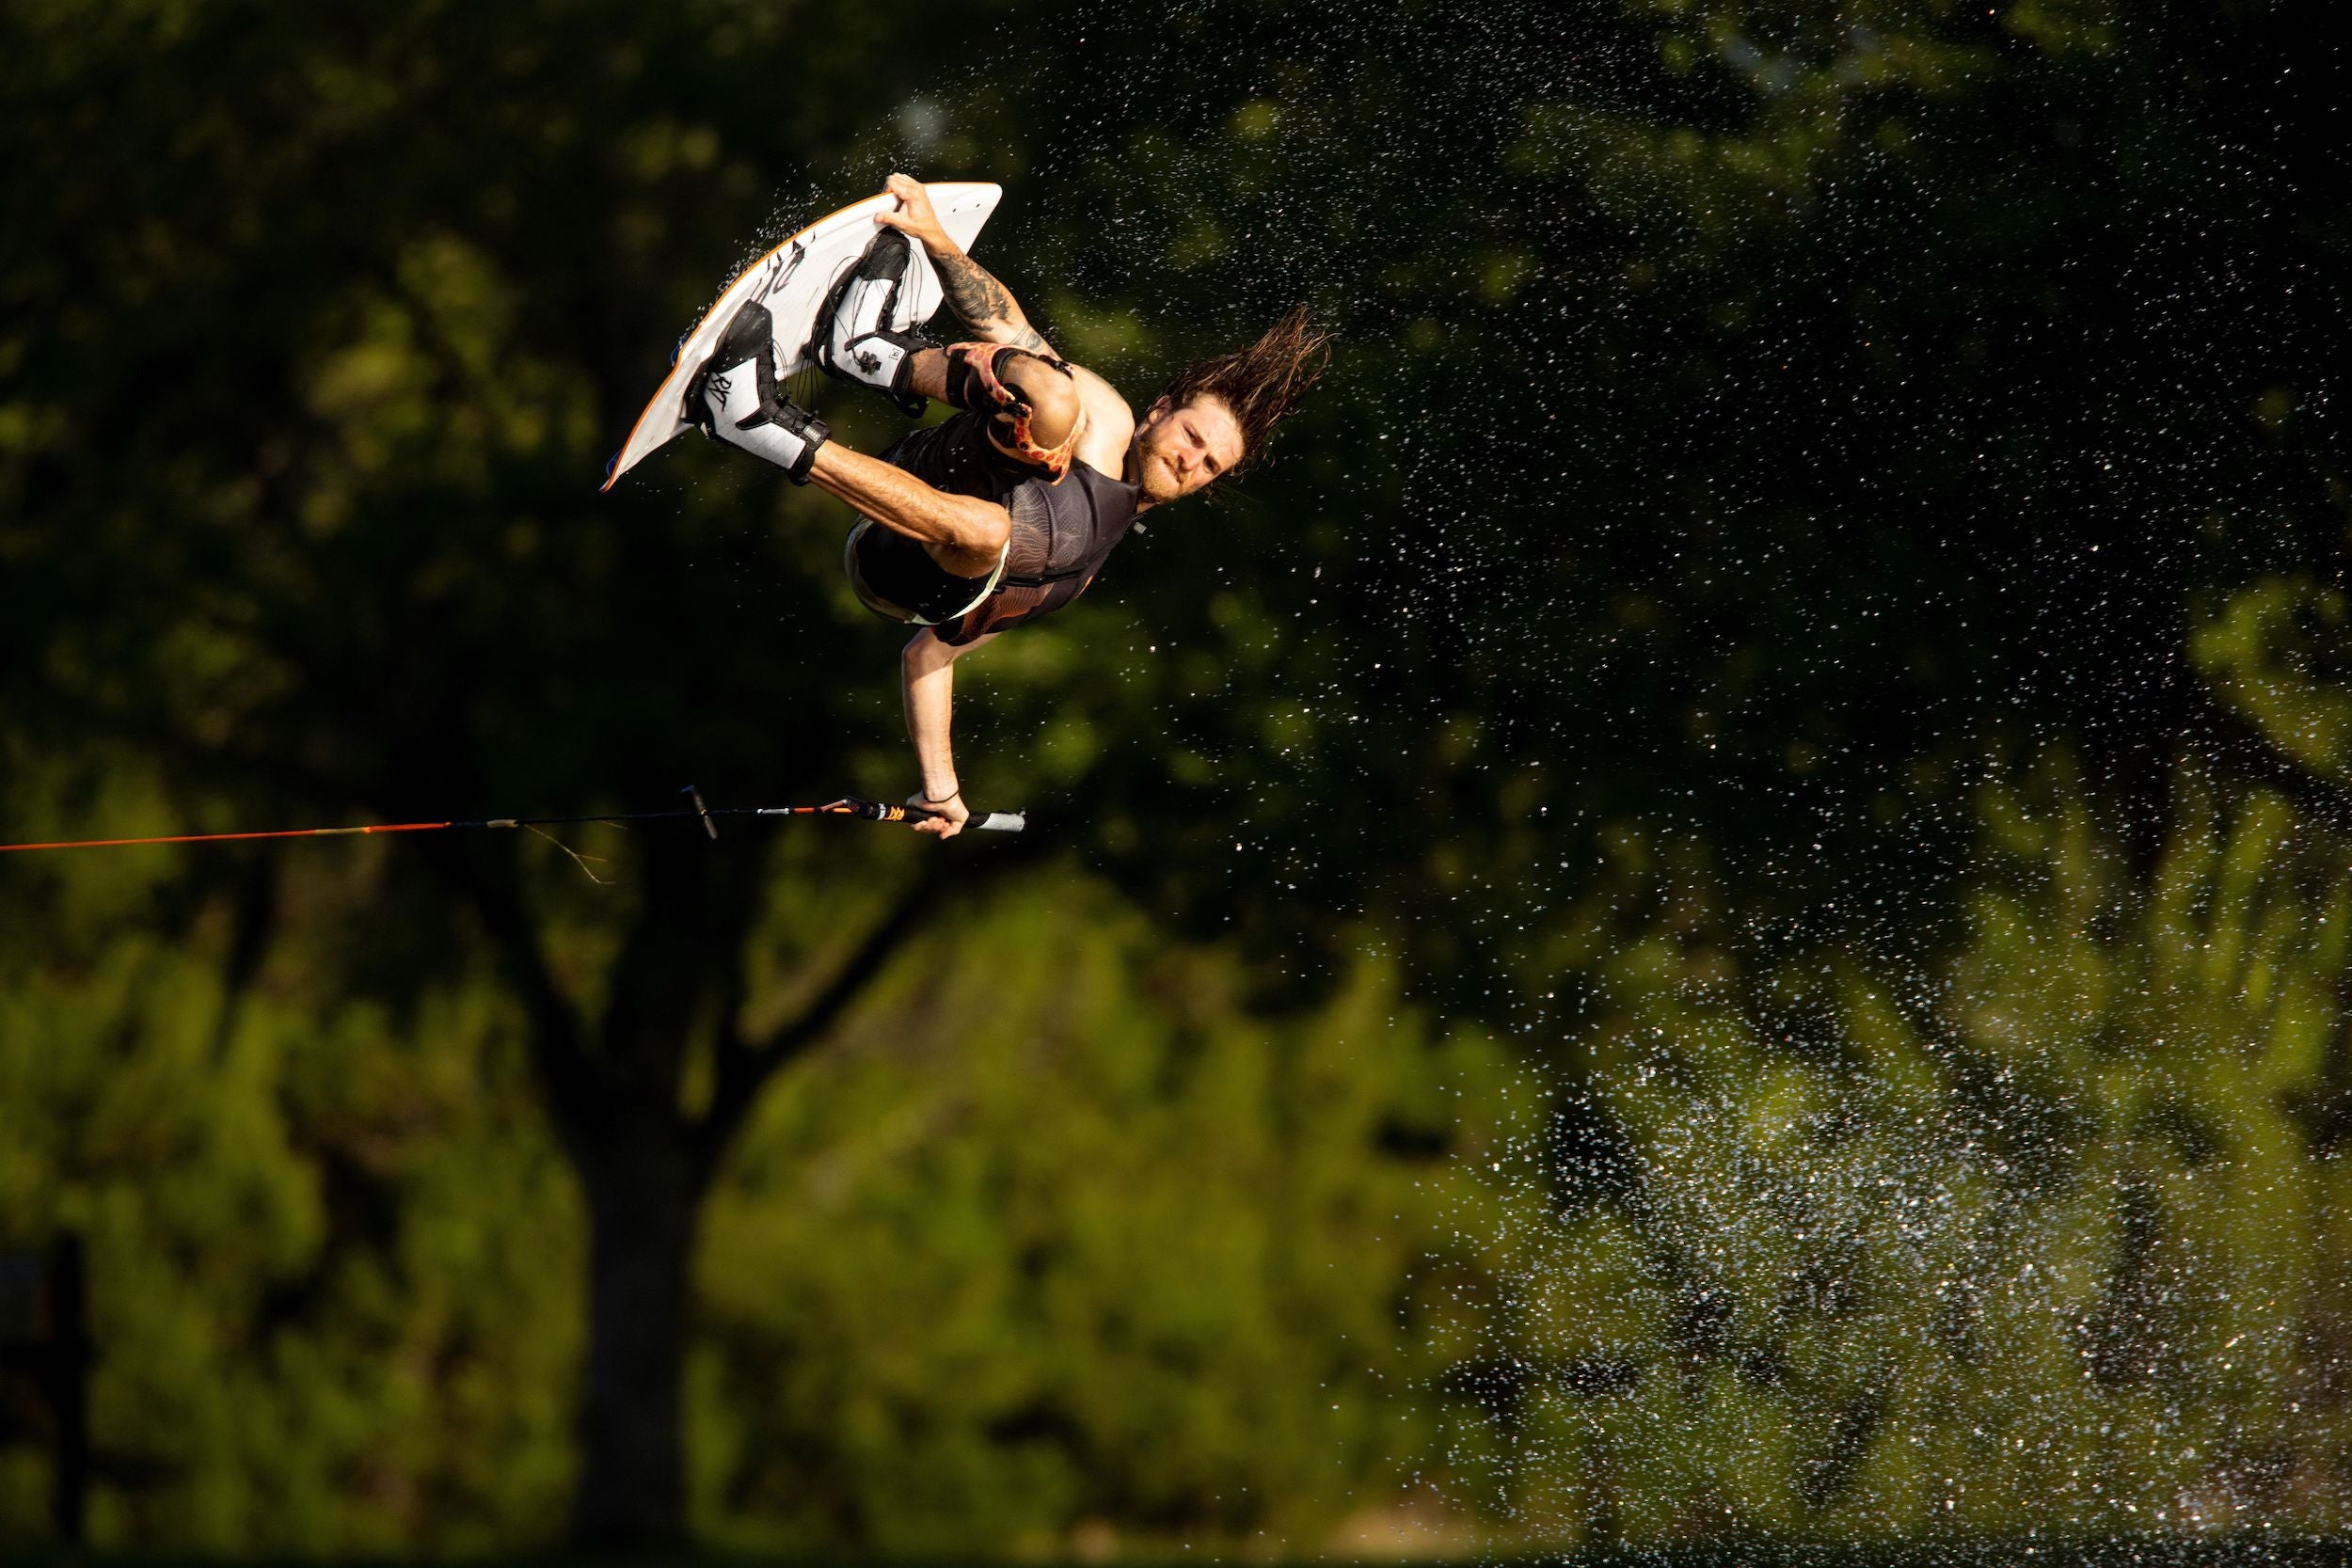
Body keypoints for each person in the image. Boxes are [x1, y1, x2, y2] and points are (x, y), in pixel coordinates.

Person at [691, 173, 1327, 837]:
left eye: (1210, 465)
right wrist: (936, 240)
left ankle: (751, 420)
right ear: (1161, 412)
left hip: (894, 569)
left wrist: (942, 788)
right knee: (1052, 398)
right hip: (932, 467)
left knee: (998, 531)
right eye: (1192, 436)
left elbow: (927, 656)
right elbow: (1008, 330)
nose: (1191, 459)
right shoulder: (1106, 419)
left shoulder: (1077, 575)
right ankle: (868, 352)